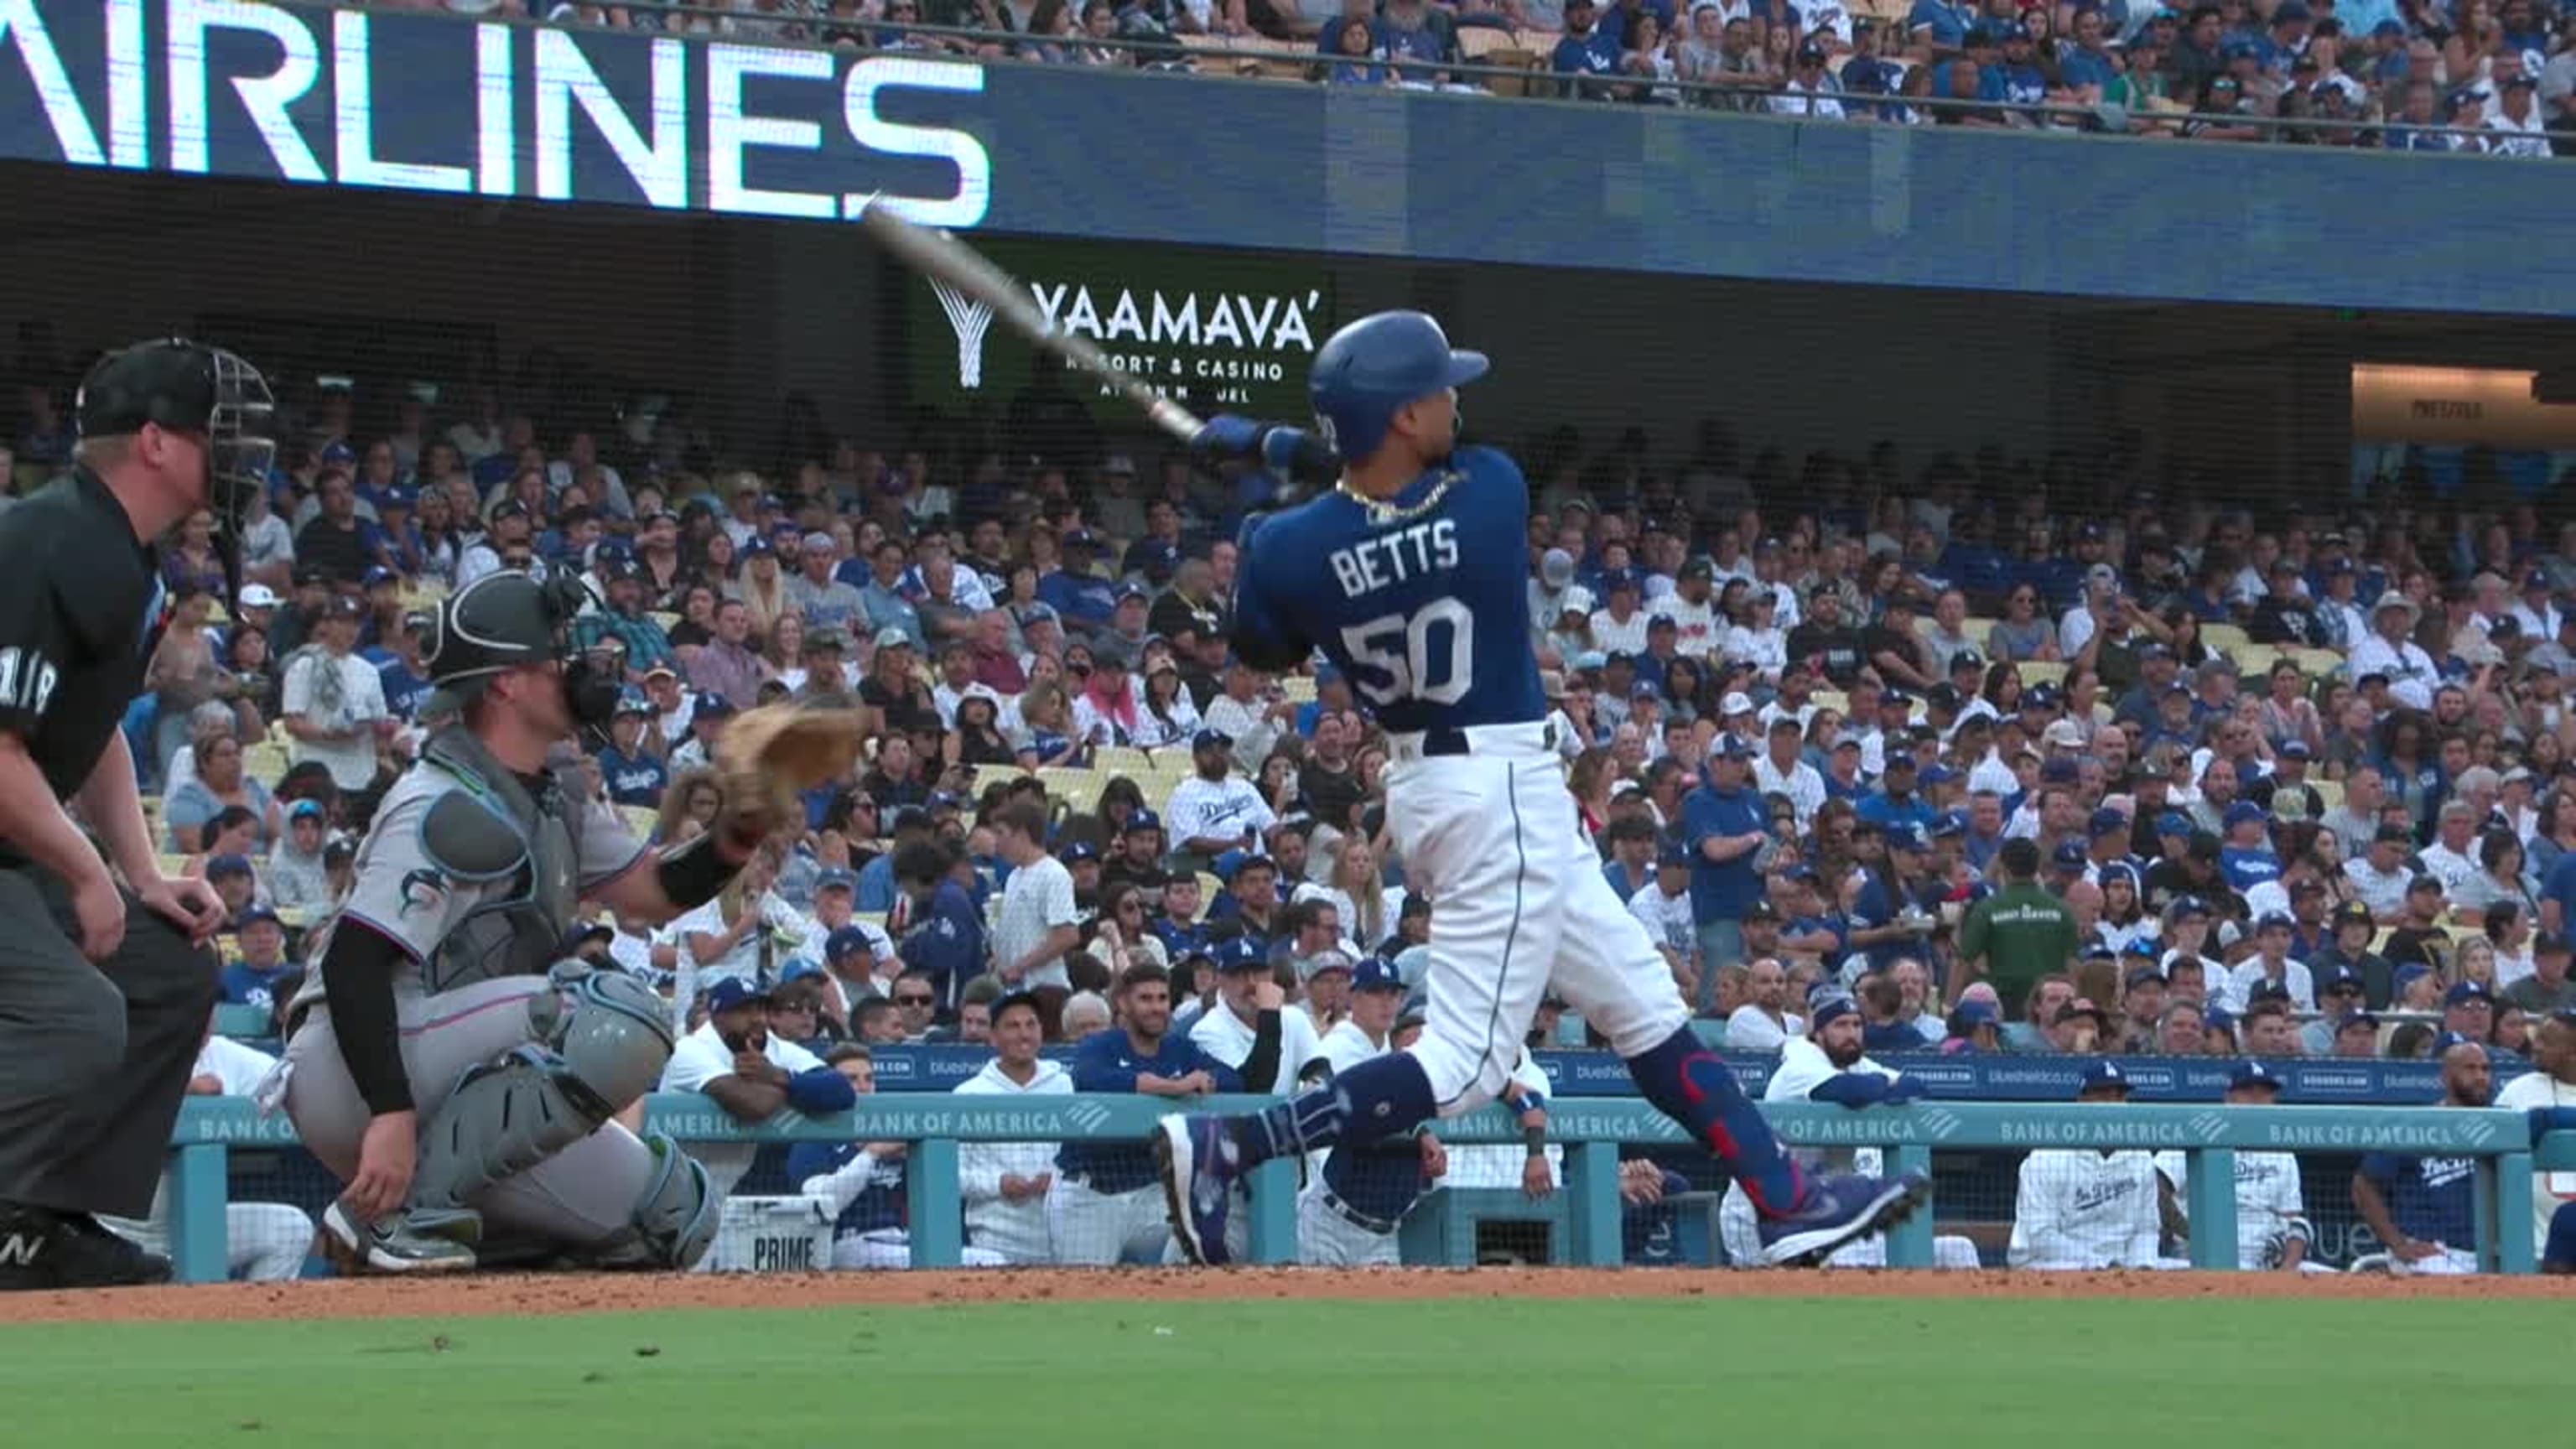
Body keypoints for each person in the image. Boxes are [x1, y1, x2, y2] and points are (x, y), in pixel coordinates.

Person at [1159, 310, 1924, 1270]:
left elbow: (1266, 639)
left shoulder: (1281, 546)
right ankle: (1231, 1143)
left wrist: (1270, 488)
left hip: (1438, 786)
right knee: (1466, 1067)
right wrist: (1292, 453)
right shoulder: (1490, 488)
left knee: (1645, 1006)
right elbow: (1406, 499)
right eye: (1438, 389)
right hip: (1500, 788)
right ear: (1401, 415)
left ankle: (1785, 1200)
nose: (1455, 399)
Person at [278, 569, 800, 1274]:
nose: (578, 666)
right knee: (615, 1011)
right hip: (359, 1072)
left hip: (467, 1082)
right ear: (505, 684)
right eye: (555, 655)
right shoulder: (443, 799)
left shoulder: (549, 796)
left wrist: (740, 832)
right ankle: (396, 1216)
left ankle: (469, 1268)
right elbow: (352, 964)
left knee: (672, 1212)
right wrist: (390, 1116)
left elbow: (651, 893)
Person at [0, 340, 264, 1290]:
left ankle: (33, 1223)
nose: (236, 454)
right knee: (76, 1019)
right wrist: (81, 873)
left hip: (14, 853)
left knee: (168, 968)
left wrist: (141, 875)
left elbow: (90, 726)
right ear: (154, 442)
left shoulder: (126, 554)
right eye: (212, 432)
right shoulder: (47, 539)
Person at [2350, 1039, 2490, 1275]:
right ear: (2445, 1077)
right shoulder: (2416, 1125)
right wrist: (2398, 1243)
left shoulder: (2499, 1126)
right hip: (2433, 1252)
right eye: (2470, 1068)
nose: (2480, 1076)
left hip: (2488, 1251)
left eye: (2485, 1069)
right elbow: (2362, 1186)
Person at [953, 990, 1069, 1265]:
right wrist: (998, 1184)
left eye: (1031, 1025)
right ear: (993, 1037)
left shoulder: (1065, 1085)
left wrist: (1058, 1180)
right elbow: (950, 1176)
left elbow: (1082, 1159)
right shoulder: (968, 1095)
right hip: (995, 1234)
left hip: (1063, 1228)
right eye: (1013, 1026)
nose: (1024, 1034)